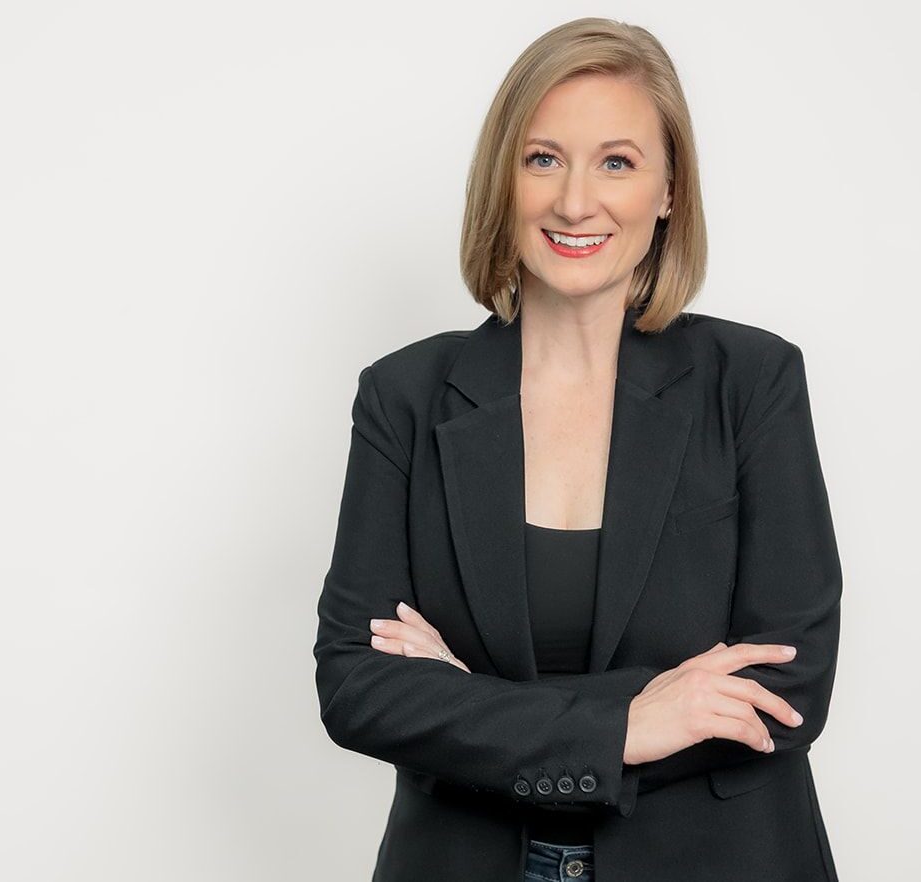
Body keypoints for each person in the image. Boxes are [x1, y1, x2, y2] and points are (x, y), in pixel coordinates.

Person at [312, 17, 842, 882]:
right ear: (504, 180)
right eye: (544, 158)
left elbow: (787, 687)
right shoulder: (404, 395)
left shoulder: (752, 381)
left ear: (669, 190)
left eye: (618, 162)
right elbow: (357, 685)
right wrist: (632, 721)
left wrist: (472, 703)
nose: (574, 202)